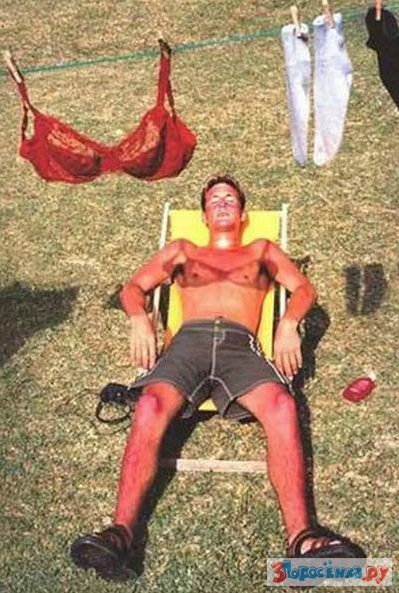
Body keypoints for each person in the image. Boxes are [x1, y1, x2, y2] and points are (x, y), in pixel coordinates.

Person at [70, 175, 365, 580]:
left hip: (240, 346)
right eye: (214, 199)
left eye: (230, 198)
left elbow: (303, 289)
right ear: (204, 216)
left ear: (242, 214)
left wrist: (288, 324)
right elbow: (134, 287)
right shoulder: (182, 250)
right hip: (186, 344)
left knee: (281, 405)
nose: (222, 202)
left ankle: (302, 539)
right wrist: (139, 318)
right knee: (150, 404)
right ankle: (120, 534)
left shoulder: (261, 250)